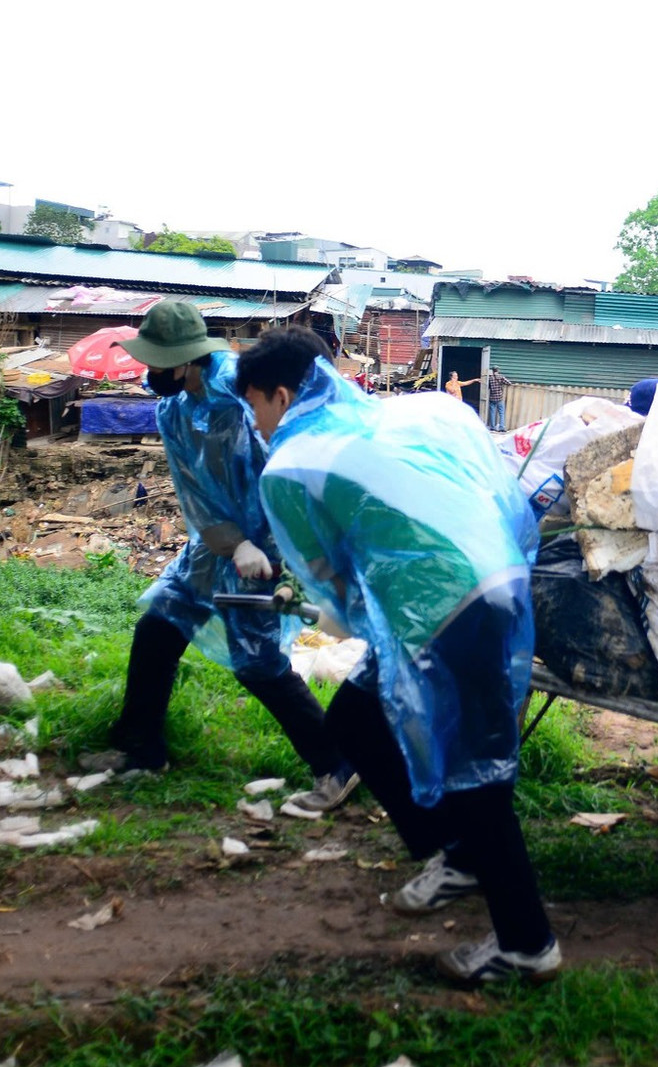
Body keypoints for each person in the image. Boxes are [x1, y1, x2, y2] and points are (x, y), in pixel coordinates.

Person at [237, 326, 560, 983]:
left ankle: (527, 944)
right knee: (353, 721)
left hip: (441, 608)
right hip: (494, 581)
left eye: (255, 409)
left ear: (279, 394)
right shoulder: (412, 412)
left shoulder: (292, 465)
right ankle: (456, 854)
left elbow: (328, 580)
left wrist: (342, 613)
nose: (257, 425)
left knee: (474, 775)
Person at [86, 302, 358, 815]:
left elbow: (287, 461)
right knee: (157, 630)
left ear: (188, 359)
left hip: (270, 545)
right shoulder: (171, 409)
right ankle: (142, 749)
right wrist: (231, 544)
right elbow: (193, 493)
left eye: (160, 362)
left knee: (258, 663)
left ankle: (337, 764)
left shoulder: (243, 393)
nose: (152, 372)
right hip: (215, 546)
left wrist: (274, 546)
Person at [484, 366, 510, 431]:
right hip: (499, 398)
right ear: (498, 370)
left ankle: (492, 427)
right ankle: (501, 427)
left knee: (492, 413)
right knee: (501, 413)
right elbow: (509, 383)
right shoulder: (501, 377)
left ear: (492, 371)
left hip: (492, 398)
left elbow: (488, 387)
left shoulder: (490, 378)